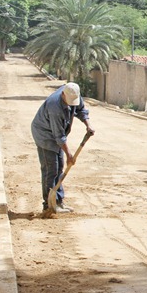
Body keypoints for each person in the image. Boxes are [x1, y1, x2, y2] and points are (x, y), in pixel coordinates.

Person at [31, 82, 95, 215]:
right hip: (45, 135)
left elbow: (81, 110)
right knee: (51, 169)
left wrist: (88, 125)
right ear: (62, 95)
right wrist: (69, 155)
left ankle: (58, 201)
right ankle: (48, 205)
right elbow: (59, 136)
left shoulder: (73, 93)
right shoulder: (55, 107)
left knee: (59, 166)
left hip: (56, 134)